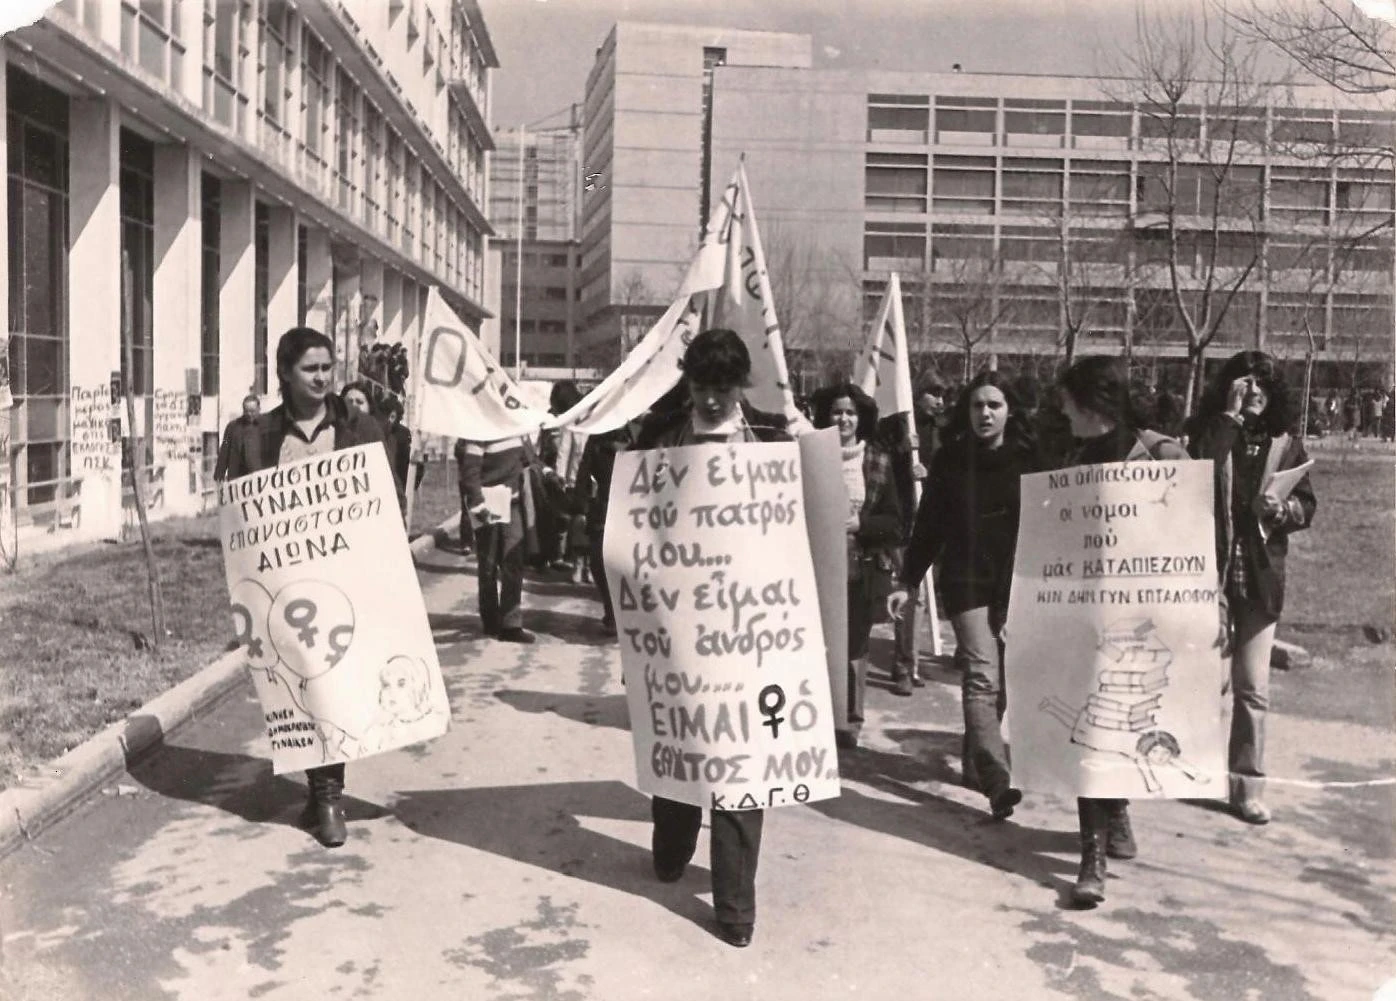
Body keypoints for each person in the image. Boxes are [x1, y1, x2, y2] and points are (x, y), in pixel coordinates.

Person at [632, 328, 789, 949]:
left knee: (741, 764)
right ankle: (672, 847)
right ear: (688, 385)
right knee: (682, 748)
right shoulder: (659, 440)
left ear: (741, 386)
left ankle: (735, 908)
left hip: (755, 633)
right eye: (703, 388)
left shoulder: (774, 438)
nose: (715, 401)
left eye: (725, 389)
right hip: (677, 630)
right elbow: (623, 532)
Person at [221, 327, 386, 849]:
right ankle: (323, 790)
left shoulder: (361, 428)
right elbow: (236, 509)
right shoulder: (255, 434)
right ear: (285, 374)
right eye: (310, 369)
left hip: (345, 577)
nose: (322, 378)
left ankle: (329, 795)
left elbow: (385, 502)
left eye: (327, 367)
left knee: (333, 683)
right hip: (282, 583)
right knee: (299, 686)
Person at [1052, 355, 1189, 906]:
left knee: (1133, 718)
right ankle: (1092, 857)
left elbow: (1193, 537)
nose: (1061, 412)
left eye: (1067, 403)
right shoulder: (1071, 457)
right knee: (1091, 729)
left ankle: (1120, 809)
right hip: (1087, 619)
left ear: (1091, 405)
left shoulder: (1159, 454)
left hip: (1145, 621)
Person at [887, 371, 1040, 820]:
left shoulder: (1032, 462)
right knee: (980, 676)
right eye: (977, 406)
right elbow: (929, 526)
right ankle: (997, 779)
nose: (985, 414)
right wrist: (907, 580)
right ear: (966, 412)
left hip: (1017, 585)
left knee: (1004, 682)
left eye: (994, 405)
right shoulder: (951, 460)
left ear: (1010, 411)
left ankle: (976, 761)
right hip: (966, 581)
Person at [1188, 350, 1316, 826]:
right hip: (1210, 578)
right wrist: (1227, 417)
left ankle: (1247, 788)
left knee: (1253, 688)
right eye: (1245, 383)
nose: (1255, 391)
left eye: (1263, 383)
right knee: (1206, 682)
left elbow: (1306, 504)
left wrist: (1283, 512)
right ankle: (1186, 770)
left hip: (1259, 580)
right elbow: (1194, 468)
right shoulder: (1213, 434)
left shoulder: (1286, 445)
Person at [810, 384, 903, 747]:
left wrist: (860, 525)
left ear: (860, 418)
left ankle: (850, 718)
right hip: (817, 568)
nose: (843, 419)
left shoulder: (878, 459)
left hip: (860, 569)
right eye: (836, 412)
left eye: (850, 413)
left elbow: (895, 522)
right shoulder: (811, 456)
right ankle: (819, 715)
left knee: (855, 646)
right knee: (819, 644)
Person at [458, 432, 534, 644]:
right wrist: (477, 503)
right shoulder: (478, 431)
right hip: (488, 506)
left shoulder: (517, 429)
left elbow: (529, 461)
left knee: (513, 561)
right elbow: (470, 471)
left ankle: (511, 624)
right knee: (489, 564)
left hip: (514, 505)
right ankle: (490, 620)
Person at [213, 393, 260, 482]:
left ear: (259, 409)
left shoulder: (265, 426)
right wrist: (219, 475)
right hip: (237, 479)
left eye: (252, 411)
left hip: (258, 479)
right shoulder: (232, 427)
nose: (249, 414)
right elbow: (224, 450)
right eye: (246, 411)